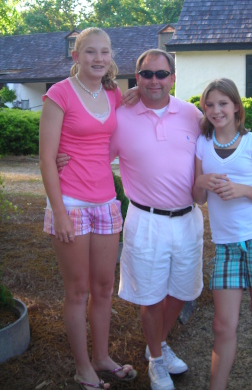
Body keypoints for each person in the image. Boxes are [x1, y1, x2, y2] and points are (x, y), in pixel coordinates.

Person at [39, 27, 137, 390]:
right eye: (90, 52)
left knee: (104, 285)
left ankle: (102, 358)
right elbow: (47, 160)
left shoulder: (112, 93)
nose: (98, 58)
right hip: (71, 203)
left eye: (105, 52)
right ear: (76, 56)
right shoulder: (58, 95)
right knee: (78, 290)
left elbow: (128, 115)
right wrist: (59, 212)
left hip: (106, 201)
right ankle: (83, 367)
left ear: (111, 57)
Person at [109, 49, 204, 390]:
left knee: (181, 291)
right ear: (138, 78)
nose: (154, 81)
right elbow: (94, 155)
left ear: (173, 78)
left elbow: (225, 139)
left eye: (161, 74)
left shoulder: (193, 115)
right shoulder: (120, 117)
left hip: (188, 219)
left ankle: (158, 345)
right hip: (146, 220)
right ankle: (157, 361)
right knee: (150, 296)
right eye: (146, 74)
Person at [192, 78, 252, 390]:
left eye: (223, 104)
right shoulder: (202, 144)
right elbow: (198, 198)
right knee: (222, 324)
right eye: (210, 105)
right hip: (226, 245)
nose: (217, 110)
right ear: (204, 109)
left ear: (236, 107)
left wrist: (241, 189)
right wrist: (201, 182)